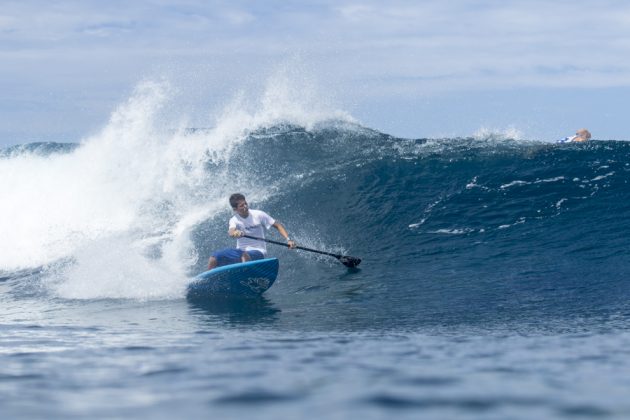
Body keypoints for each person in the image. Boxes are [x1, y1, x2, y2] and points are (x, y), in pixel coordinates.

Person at [207, 193, 296, 269]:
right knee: (214, 257)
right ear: (235, 209)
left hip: (259, 252)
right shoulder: (234, 220)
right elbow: (231, 232)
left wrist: (288, 239)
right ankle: (207, 280)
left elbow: (277, 225)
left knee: (243, 255)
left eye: (245, 203)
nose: (245, 206)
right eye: (242, 206)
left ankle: (245, 274)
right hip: (240, 253)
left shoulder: (259, 214)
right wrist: (235, 233)